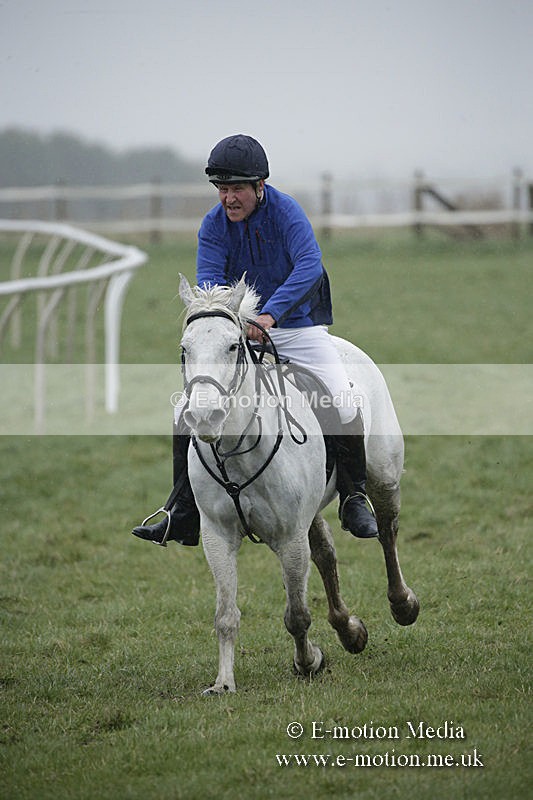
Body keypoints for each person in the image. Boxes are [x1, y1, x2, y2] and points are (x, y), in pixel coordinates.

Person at [132, 134, 378, 546]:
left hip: (298, 326)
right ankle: (183, 510)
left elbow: (309, 265)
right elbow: (209, 282)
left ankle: (353, 496)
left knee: (341, 393)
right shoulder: (212, 225)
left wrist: (269, 314)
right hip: (240, 331)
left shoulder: (286, 212)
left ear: (259, 186)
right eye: (222, 189)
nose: (228, 199)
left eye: (236, 190)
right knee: (187, 407)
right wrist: (228, 321)